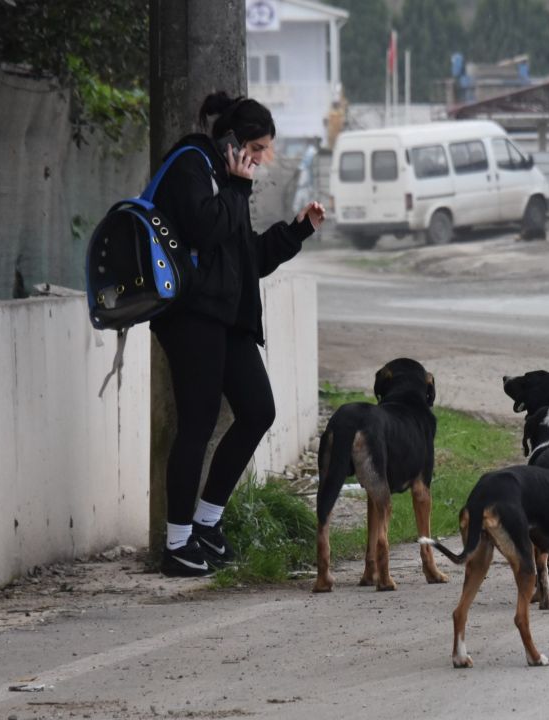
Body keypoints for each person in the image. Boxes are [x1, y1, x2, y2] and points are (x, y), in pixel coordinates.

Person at [151, 91, 325, 576]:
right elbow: (204, 230)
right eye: (259, 148)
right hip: (191, 317)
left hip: (226, 320)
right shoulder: (192, 165)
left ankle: (207, 524)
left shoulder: (225, 182)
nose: (264, 159)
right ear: (234, 142)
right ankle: (177, 544)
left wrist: (297, 231)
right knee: (197, 425)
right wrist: (238, 188)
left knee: (257, 411)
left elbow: (245, 257)